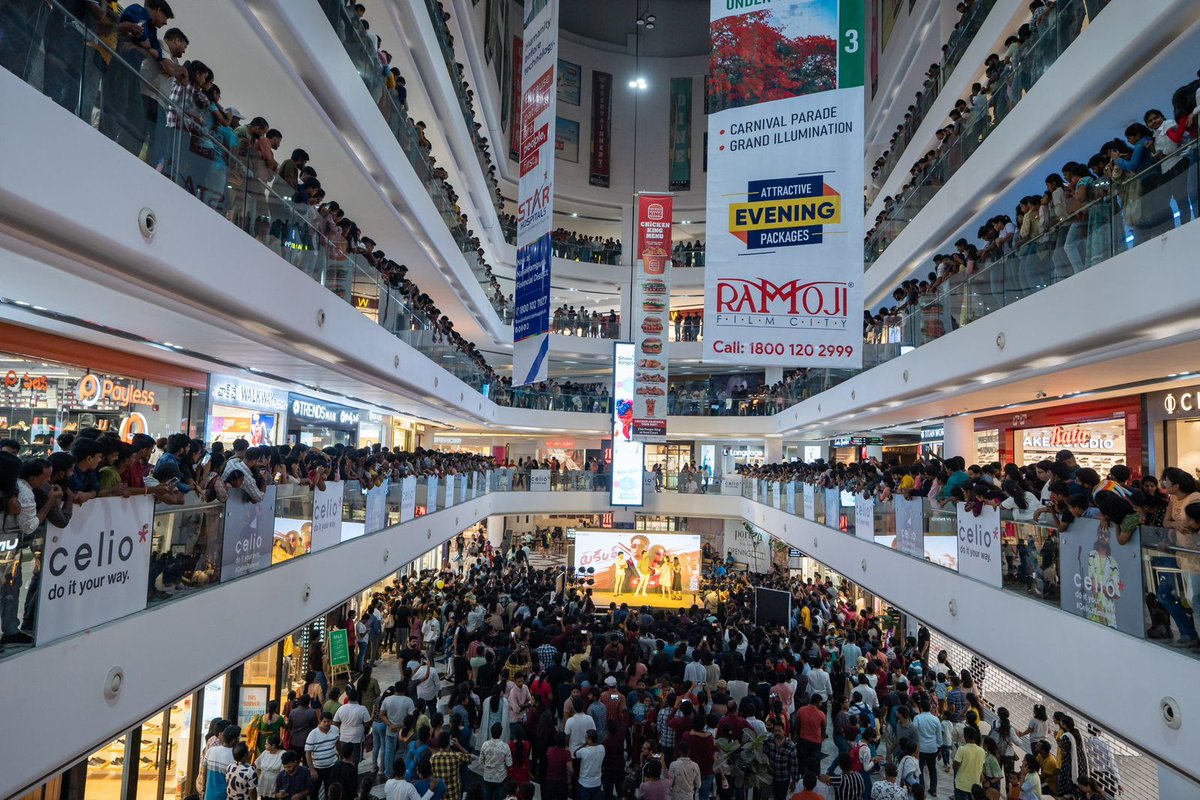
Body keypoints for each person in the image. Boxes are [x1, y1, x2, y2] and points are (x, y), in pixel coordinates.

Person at [305, 713, 341, 800]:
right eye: (324, 721)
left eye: (329, 721)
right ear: (320, 721)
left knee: (329, 789)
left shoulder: (335, 730)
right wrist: (312, 770)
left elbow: (337, 743)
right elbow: (308, 753)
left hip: (331, 766)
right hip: (317, 768)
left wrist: (341, 756)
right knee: (314, 790)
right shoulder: (313, 734)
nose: (327, 724)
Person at [333, 686, 372, 764]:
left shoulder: (341, 708)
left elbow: (335, 723)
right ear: (357, 697)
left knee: (345, 760)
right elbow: (367, 724)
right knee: (355, 761)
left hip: (343, 738)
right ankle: (353, 775)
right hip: (357, 739)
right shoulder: (362, 709)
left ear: (348, 697)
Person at [480, 722, 513, 800]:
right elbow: (509, 764)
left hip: (487, 777)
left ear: (491, 732)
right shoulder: (505, 746)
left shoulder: (485, 744)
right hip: (500, 777)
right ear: (501, 733)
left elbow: (481, 761)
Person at [953, 726, 986, 800]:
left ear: (965, 736)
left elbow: (955, 766)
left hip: (961, 785)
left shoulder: (962, 749)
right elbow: (981, 767)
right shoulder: (982, 751)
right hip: (975, 786)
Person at [574, 728, 607, 800]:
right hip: (597, 783)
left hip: (584, 783)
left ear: (590, 739)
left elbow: (575, 753)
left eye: (586, 738)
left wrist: (584, 744)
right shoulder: (602, 748)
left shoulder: (584, 751)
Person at [255, 735, 285, 800]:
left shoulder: (282, 754)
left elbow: (284, 773)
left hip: (274, 785)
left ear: (273, 746)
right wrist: (256, 780)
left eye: (267, 744)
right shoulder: (265, 753)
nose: (265, 745)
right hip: (263, 784)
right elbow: (258, 766)